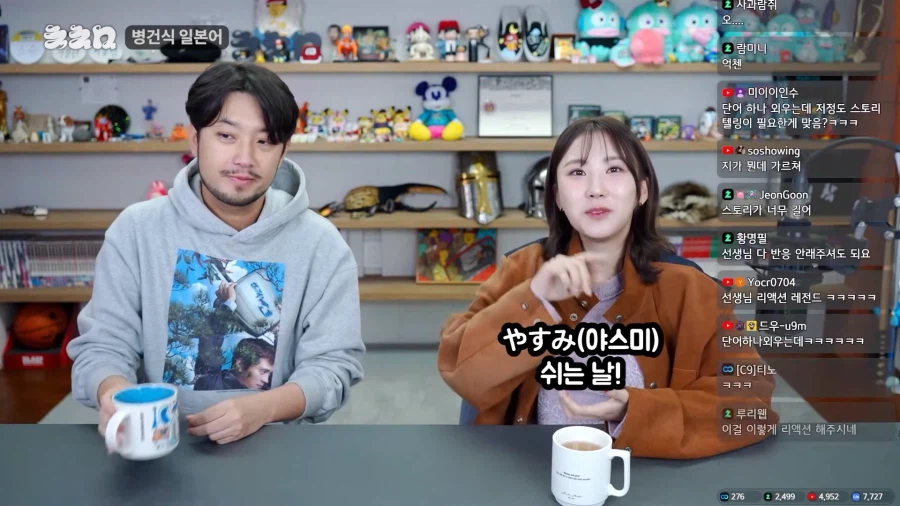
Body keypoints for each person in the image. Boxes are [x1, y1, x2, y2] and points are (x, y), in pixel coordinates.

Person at [437, 117, 777, 459]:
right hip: (533, 468)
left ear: (642, 191)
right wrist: (534, 299)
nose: (595, 189)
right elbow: (461, 371)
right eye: (577, 172)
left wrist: (636, 411)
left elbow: (752, 402)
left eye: (614, 170)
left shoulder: (691, 290)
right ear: (557, 196)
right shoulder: (522, 271)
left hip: (646, 474)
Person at [68, 62, 365, 446]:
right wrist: (113, 392)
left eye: (265, 141)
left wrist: (265, 408)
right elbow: (104, 346)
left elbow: (334, 366)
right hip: (159, 443)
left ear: (283, 151)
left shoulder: (322, 244)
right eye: (226, 135)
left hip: (275, 448)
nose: (245, 158)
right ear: (195, 140)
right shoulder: (136, 230)